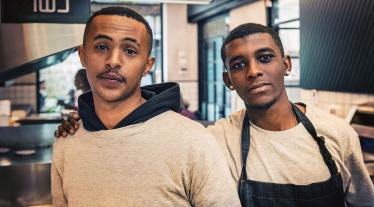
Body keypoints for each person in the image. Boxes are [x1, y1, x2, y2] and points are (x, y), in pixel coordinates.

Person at [55, 22, 374, 206]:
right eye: (238, 65)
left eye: (265, 58)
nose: (253, 71)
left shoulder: (336, 134)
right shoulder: (213, 138)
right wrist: (88, 123)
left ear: (287, 65)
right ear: (228, 81)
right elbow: (144, 147)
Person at [51, 7, 240, 207]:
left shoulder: (191, 139)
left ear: (147, 66)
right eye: (101, 47)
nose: (113, 61)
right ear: (82, 55)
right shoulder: (67, 142)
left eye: (130, 51)